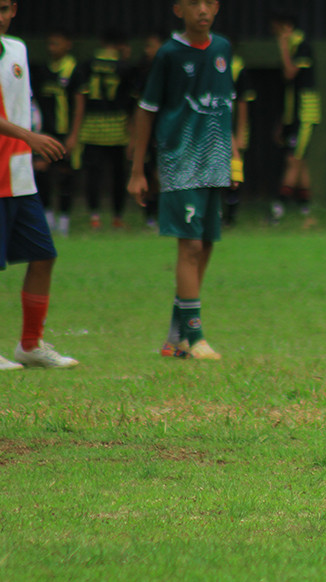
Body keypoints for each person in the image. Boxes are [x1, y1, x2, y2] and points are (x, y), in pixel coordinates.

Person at [0, 0, 78, 370]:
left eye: (4, 8)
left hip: (20, 174)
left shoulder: (19, 49)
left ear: (14, 11)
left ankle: (30, 345)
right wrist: (30, 136)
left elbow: (22, 101)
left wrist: (30, 141)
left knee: (43, 256)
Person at [127, 0, 238, 361]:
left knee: (205, 245)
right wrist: (138, 170)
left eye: (208, 3)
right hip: (180, 162)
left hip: (215, 163)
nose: (202, 10)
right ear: (179, 9)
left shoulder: (222, 48)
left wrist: (234, 155)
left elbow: (225, 105)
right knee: (189, 247)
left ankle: (176, 337)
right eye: (194, 3)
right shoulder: (169, 54)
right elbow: (147, 111)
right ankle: (196, 336)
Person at [66, 28, 133, 230]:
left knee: (93, 175)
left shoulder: (86, 65)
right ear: (122, 44)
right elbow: (134, 104)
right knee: (118, 175)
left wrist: (74, 133)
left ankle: (94, 217)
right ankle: (117, 217)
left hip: (91, 128)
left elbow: (79, 101)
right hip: (118, 130)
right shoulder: (125, 67)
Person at [268, 9, 320, 226]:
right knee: (301, 163)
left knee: (293, 161)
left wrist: (282, 47)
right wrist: (283, 121)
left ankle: (277, 210)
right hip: (293, 114)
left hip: (305, 114)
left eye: (277, 28)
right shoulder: (293, 46)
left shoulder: (302, 45)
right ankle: (305, 210)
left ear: (286, 27)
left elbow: (290, 73)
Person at [31, 28, 76, 237]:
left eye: (56, 43)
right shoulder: (41, 70)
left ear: (68, 44)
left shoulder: (74, 69)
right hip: (44, 133)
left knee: (66, 175)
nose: (52, 48)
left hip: (66, 132)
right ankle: (47, 217)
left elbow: (80, 103)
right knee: (42, 174)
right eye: (49, 43)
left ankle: (65, 220)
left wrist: (74, 134)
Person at [131, 30, 168, 229]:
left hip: (168, 131)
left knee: (164, 173)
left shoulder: (173, 70)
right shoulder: (144, 72)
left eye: (150, 45)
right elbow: (140, 108)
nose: (147, 50)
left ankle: (167, 212)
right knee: (150, 172)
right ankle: (150, 213)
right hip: (149, 132)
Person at [222, 41, 255, 228]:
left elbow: (242, 102)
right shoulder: (208, 63)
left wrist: (240, 132)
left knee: (234, 170)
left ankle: (231, 215)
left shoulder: (236, 67)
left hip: (233, 126)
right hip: (214, 126)